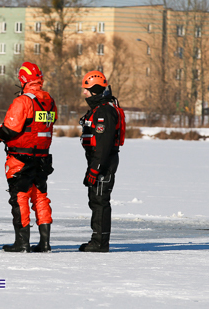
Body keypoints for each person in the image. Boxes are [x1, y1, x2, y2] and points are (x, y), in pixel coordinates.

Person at [0, 62, 56, 253]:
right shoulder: (49, 100)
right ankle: (45, 243)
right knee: (40, 198)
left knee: (20, 197)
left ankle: (22, 242)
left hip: (21, 158)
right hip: (43, 158)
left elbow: (10, 129)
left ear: (22, 80)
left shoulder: (23, 101)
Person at [78, 71, 125, 252]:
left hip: (103, 163)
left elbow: (103, 146)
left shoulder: (104, 111)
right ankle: (97, 239)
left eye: (87, 90)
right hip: (98, 162)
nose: (84, 93)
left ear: (95, 90)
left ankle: (100, 242)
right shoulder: (99, 109)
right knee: (95, 199)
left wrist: (95, 170)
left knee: (100, 200)